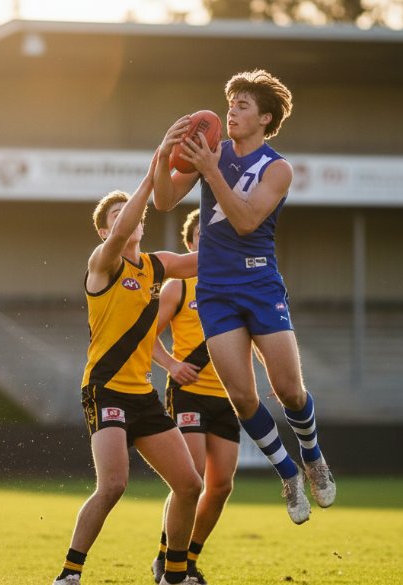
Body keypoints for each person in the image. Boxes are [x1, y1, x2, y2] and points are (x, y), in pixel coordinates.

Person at [152, 70, 336, 525]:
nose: (230, 110)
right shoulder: (209, 153)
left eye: (242, 105)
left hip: (258, 283)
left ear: (264, 118)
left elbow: (247, 221)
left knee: (289, 390)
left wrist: (211, 170)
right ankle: (289, 474)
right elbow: (163, 201)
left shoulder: (278, 168)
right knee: (243, 397)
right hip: (215, 290)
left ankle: (313, 457)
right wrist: (162, 154)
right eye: (230, 102)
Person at [52, 151, 204, 585]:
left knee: (190, 485)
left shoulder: (157, 265)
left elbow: (201, 261)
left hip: (142, 395)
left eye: (132, 214)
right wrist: (151, 177)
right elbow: (122, 228)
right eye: (118, 217)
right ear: (105, 231)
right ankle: (69, 574)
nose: (129, 220)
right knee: (114, 484)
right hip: (105, 390)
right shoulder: (103, 263)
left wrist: (243, 225)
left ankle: (173, 575)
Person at [150, 209, 239, 585]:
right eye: (203, 235)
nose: (211, 240)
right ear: (191, 244)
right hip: (188, 393)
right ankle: (166, 558)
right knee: (192, 478)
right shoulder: (178, 287)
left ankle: (189, 558)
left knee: (221, 487)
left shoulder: (240, 283)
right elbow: (146, 335)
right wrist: (171, 365)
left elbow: (248, 338)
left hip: (228, 397)